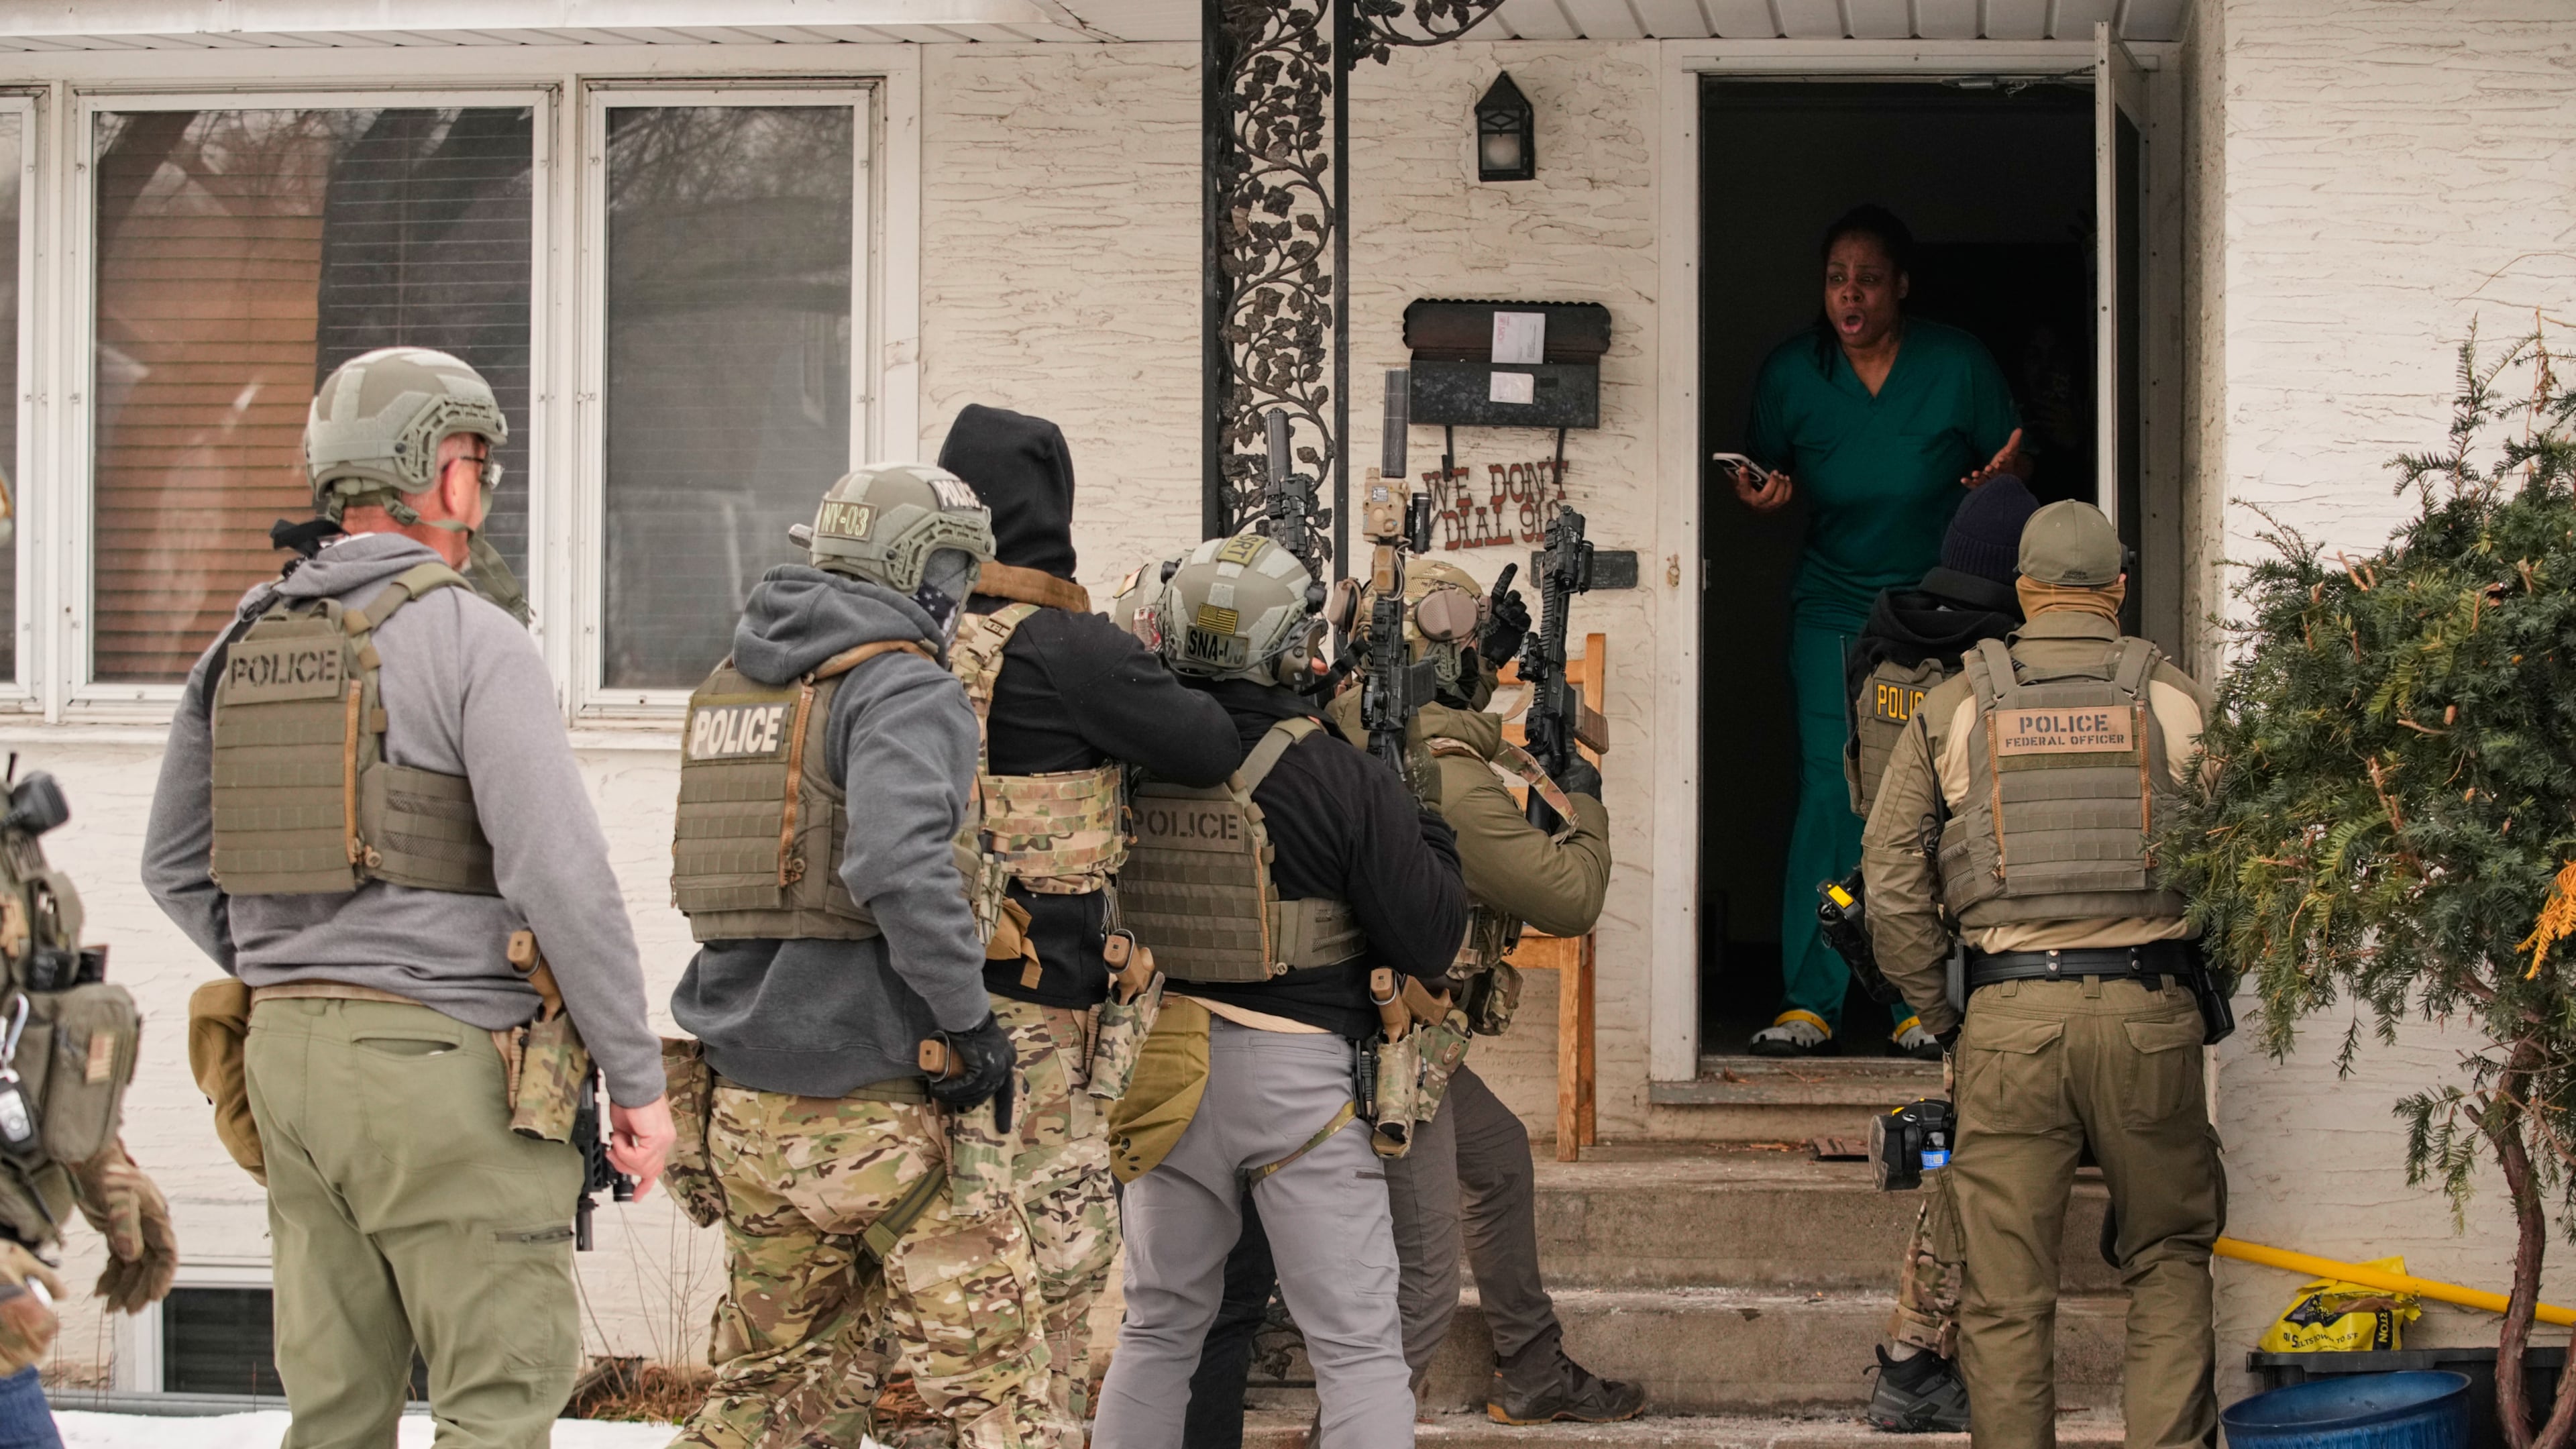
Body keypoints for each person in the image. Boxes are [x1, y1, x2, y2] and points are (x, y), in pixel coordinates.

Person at [142, 346, 673, 1448]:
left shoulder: (247, 635)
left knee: (335, 1413)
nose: (484, 484)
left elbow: (171, 861)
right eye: (476, 456)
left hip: (282, 1066)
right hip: (441, 1074)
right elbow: (560, 875)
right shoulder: (477, 639)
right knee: (497, 1406)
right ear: (432, 467)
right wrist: (637, 1078)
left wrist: (291, 970)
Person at [663, 463, 1071, 1449]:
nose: (962, 594)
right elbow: (898, 863)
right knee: (1000, 1397)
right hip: (879, 1111)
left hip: (747, 1112)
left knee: (780, 1399)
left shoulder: (735, 685)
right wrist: (971, 1026)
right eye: (955, 570)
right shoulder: (900, 684)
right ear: (914, 567)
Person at [1183, 559, 1632, 1437]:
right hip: (1388, 1040)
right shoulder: (1444, 767)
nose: (1490, 661)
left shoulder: (1361, 721)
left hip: (1378, 1024)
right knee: (1419, 1281)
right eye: (1479, 647)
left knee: (1497, 1158)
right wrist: (1584, 793)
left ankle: (1533, 1365)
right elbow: (1571, 899)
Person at [1093, 533, 1469, 1449]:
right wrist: (1422, 822)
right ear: (1287, 646)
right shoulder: (1337, 776)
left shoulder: (1120, 762)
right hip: (1295, 1086)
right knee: (1357, 1349)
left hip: (1160, 1070)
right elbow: (1430, 938)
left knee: (1156, 1329)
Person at [1862, 501, 2222, 1447]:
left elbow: (1892, 870)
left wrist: (1938, 1015)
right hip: (2152, 1012)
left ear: (2022, 593)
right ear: (2118, 590)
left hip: (2010, 1023)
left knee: (2006, 1291)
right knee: (2170, 1261)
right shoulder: (2178, 700)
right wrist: (2202, 978)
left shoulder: (1958, 704)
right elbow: (2258, 863)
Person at [934, 404, 1243, 1421]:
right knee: (1055, 1283)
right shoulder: (1069, 648)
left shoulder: (911, 630)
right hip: (1040, 1019)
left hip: (917, 1005)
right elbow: (1204, 744)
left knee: (952, 1288)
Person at [1725, 204, 2027, 1061]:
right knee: (1831, 791)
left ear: (1900, 286)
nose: (1848, 294)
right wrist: (1760, 498)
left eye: (1866, 278)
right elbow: (1759, 474)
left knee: (1924, 796)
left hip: (1938, 610)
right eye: (1835, 279)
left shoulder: (1956, 362)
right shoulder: (1794, 372)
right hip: (1832, 607)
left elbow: (2015, 461)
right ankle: (1809, 1000)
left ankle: (1915, 1000)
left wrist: (1997, 477)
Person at [1835, 475, 2035, 1432]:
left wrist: (1923, 987)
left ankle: (1922, 1357)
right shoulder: (1999, 667)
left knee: (1972, 1151)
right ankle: (1917, 1361)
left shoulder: (1889, 640)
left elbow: (1877, 819)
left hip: (1926, 928)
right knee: (1971, 1164)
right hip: (2005, 943)